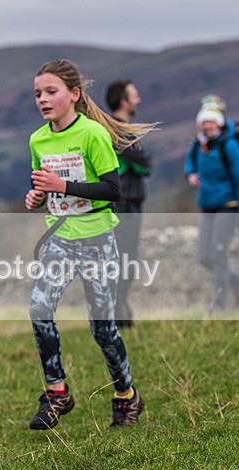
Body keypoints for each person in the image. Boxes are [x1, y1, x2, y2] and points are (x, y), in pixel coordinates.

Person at [25, 59, 156, 431]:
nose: (43, 99)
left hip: (97, 240)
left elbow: (113, 190)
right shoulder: (38, 140)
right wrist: (37, 197)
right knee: (39, 308)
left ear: (74, 94)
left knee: (102, 328)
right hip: (59, 239)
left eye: (51, 92)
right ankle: (57, 391)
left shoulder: (92, 134)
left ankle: (127, 395)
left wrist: (62, 186)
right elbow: (42, 186)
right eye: (38, 94)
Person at [185, 95, 239, 312]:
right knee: (204, 256)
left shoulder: (229, 145)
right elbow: (190, 161)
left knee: (218, 253)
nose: (207, 127)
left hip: (228, 205)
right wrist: (191, 174)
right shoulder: (199, 143)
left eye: (210, 122)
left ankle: (218, 304)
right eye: (204, 123)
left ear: (219, 123)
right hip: (207, 205)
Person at [105, 80, 153, 328]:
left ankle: (120, 314)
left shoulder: (119, 131)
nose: (139, 100)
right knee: (124, 261)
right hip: (123, 205)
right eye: (135, 96)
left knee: (123, 261)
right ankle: (118, 317)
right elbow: (144, 166)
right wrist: (143, 159)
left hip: (126, 205)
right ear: (124, 102)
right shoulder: (119, 132)